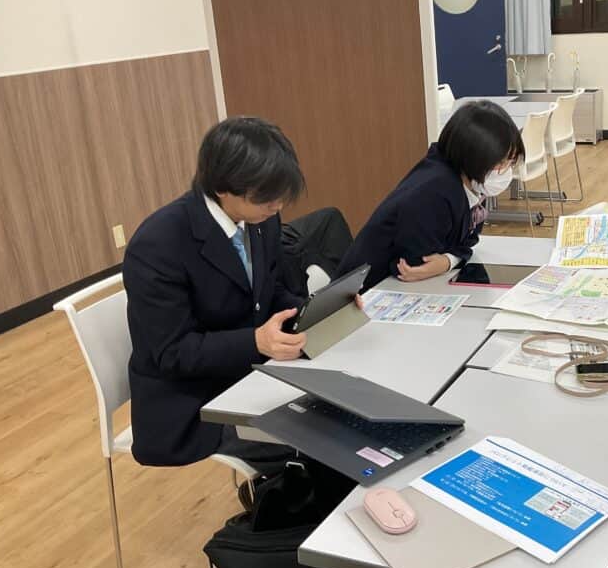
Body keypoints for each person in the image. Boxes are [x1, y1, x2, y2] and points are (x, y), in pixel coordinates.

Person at [123, 116, 308, 474]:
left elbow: (270, 291)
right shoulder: (158, 243)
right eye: (266, 196)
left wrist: (316, 311)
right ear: (224, 187)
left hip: (249, 374)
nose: (277, 206)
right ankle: (280, 502)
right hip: (191, 404)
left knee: (334, 418)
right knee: (317, 439)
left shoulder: (260, 218)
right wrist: (256, 342)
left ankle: (286, 497)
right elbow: (172, 352)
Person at [337, 100, 525, 290]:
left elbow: (468, 241)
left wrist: (446, 261)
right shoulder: (433, 193)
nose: (505, 170)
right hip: (365, 291)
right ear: (474, 157)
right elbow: (414, 266)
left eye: (510, 161)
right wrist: (448, 260)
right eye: (501, 162)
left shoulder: (472, 182)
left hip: (400, 287)